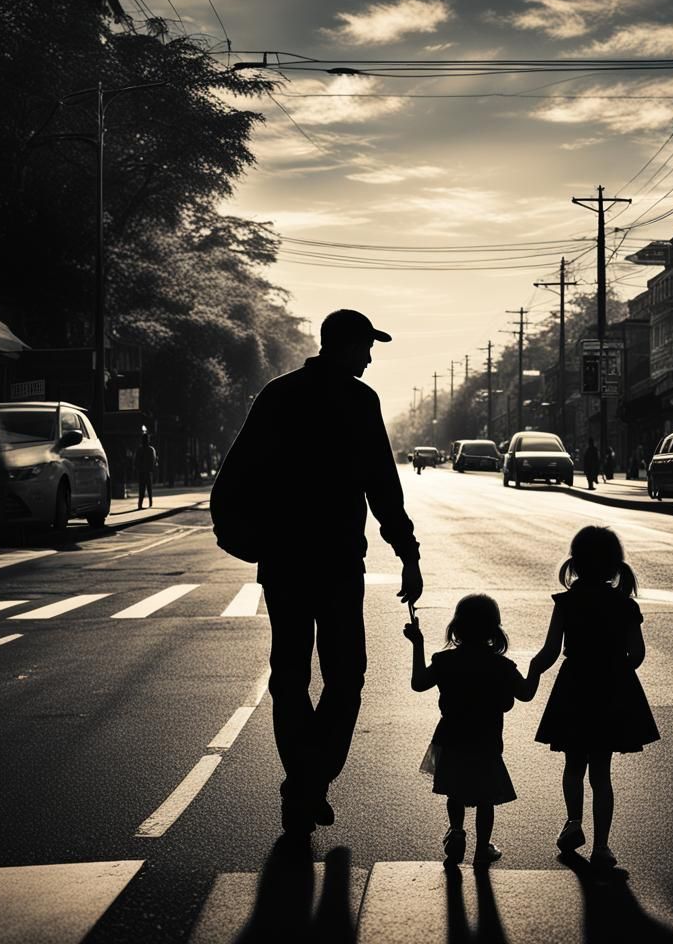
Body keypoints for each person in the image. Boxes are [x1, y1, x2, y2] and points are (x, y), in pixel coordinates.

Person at [210, 309, 424, 835]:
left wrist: (245, 539)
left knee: (290, 675)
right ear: (343, 345)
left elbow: (232, 476)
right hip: (336, 564)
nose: (370, 357)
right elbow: (382, 487)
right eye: (366, 347)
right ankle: (313, 779)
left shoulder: (278, 394)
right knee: (346, 675)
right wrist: (408, 551)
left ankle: (303, 779)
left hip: (284, 562)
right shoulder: (358, 401)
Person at [529, 526, 659, 870]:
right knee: (602, 773)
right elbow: (638, 653)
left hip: (574, 689)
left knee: (573, 765)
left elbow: (550, 652)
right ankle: (602, 846)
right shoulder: (624, 606)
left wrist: (530, 671)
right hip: (610, 690)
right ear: (615, 565)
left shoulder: (567, 603)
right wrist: (616, 672)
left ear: (576, 564)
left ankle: (573, 823)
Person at [403, 594, 537, 866]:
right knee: (486, 798)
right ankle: (481, 848)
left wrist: (418, 644)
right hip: (485, 740)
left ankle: (456, 832)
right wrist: (536, 667)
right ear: (494, 631)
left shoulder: (444, 661)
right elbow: (525, 694)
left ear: (457, 627)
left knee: (455, 791)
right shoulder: (502, 666)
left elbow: (419, 683)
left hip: (450, 737)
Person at [135, 431, 158, 509]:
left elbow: (136, 461)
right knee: (149, 488)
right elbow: (154, 461)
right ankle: (150, 503)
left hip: (142, 472)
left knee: (142, 489)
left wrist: (138, 468)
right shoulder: (151, 449)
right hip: (148, 472)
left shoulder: (139, 449)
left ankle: (140, 504)